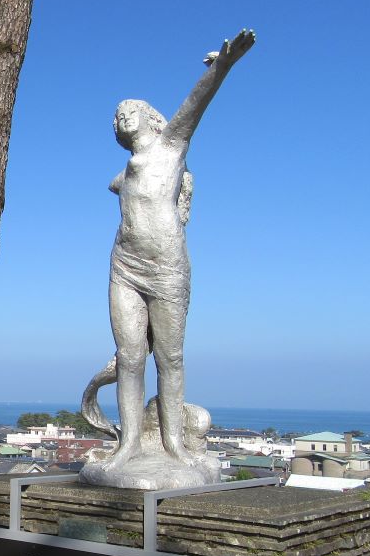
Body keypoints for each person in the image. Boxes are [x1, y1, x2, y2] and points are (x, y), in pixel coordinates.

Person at [99, 29, 255, 473]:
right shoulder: (123, 173)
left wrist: (222, 67)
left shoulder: (171, 148)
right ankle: (128, 443)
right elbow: (119, 186)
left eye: (132, 110)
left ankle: (175, 446)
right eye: (118, 113)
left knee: (169, 357)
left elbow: (193, 108)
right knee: (130, 356)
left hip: (166, 267)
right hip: (124, 265)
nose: (122, 115)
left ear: (153, 120)